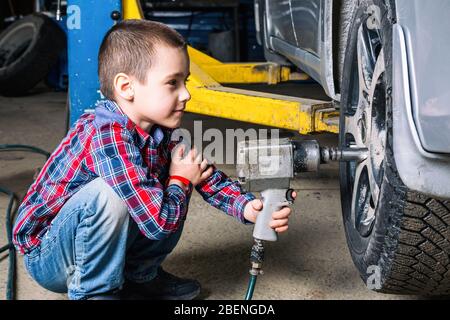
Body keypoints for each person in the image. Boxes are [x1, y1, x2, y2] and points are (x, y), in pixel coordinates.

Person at [12, 19, 295, 300]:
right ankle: (94, 293)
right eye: (172, 83)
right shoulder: (106, 134)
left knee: (175, 173)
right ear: (126, 88)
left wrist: (248, 208)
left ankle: (139, 278)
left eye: (184, 81)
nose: (186, 94)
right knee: (115, 193)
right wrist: (180, 180)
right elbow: (159, 222)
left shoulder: (164, 132)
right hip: (52, 257)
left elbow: (207, 177)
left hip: (93, 245)